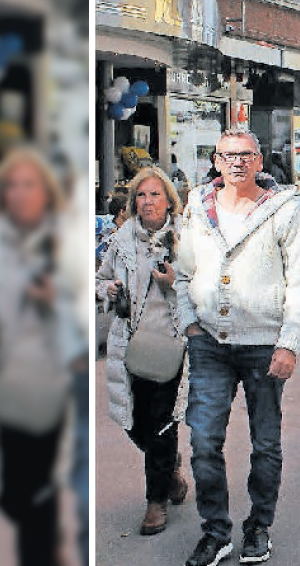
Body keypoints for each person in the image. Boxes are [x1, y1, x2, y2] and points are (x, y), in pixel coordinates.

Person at [174, 129, 300, 566]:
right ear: (216, 161)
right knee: (203, 441)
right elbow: (183, 271)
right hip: (210, 344)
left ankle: (258, 528)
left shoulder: (283, 210)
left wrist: (289, 342)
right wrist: (190, 323)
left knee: (265, 443)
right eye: (228, 155)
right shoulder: (198, 207)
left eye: (246, 155)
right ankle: (215, 532)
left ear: (259, 162)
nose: (236, 162)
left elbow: (299, 280)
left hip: (263, 345)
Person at [0, 147, 84, 566]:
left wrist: (55, 304)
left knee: (38, 490)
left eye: (28, 184)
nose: (18, 193)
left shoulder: (67, 242)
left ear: (46, 192)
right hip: (0, 383)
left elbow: (87, 309)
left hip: (52, 386)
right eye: (10, 185)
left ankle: (43, 548)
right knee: (7, 492)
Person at [96, 167, 189, 536]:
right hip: (130, 347)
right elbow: (100, 280)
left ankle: (156, 502)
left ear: (169, 200)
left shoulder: (187, 239)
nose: (147, 202)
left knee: (162, 424)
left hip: (171, 346)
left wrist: (173, 283)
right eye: (141, 195)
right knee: (134, 425)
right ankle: (171, 466)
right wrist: (110, 290)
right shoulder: (120, 240)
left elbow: (205, 290)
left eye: (154, 195)